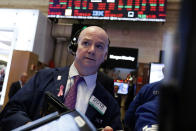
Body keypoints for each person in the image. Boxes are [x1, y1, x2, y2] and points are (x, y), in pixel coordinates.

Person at [0, 26, 122, 131]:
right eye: (86, 43)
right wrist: (30, 126)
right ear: (75, 47)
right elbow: (10, 111)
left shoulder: (109, 104)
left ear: (105, 55)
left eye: (99, 46)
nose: (91, 50)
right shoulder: (43, 77)